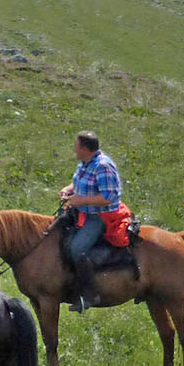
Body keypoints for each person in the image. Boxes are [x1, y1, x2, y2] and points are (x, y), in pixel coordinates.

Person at [57, 131, 127, 313]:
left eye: (76, 146)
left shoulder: (103, 166)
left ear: (86, 149)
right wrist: (68, 190)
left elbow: (109, 196)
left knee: (77, 248)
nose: (74, 149)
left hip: (100, 216)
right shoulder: (86, 163)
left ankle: (91, 293)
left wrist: (82, 200)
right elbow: (80, 184)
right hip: (82, 211)